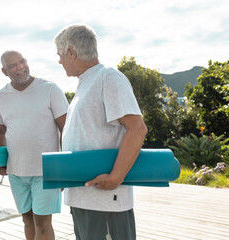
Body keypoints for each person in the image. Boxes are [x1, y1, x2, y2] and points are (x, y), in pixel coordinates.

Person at [54, 24, 148, 240]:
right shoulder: (87, 82)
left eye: (60, 54)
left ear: (71, 51)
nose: (59, 60)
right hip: (86, 199)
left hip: (105, 201)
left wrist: (116, 177)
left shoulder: (108, 77)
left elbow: (137, 128)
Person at [0, 50, 68, 240]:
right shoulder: (1, 96)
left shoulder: (50, 89)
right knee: (27, 220)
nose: (20, 68)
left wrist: (64, 168)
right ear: (4, 71)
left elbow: (65, 129)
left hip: (46, 170)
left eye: (22, 62)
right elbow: (0, 130)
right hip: (16, 171)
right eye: (13, 66)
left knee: (42, 223)